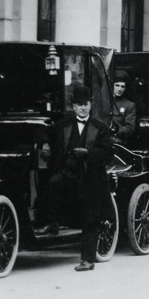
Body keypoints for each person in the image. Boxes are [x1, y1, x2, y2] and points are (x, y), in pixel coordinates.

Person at [42, 83, 115, 271]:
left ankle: (87, 260)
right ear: (73, 107)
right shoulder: (63, 125)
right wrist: (45, 144)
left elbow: (108, 154)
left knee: (90, 217)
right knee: (52, 184)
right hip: (69, 174)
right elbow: (43, 131)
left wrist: (88, 152)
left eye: (86, 104)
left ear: (90, 105)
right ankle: (53, 222)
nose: (83, 108)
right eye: (79, 104)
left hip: (91, 178)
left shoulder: (100, 128)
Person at [110, 70, 138, 141]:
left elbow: (129, 128)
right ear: (112, 85)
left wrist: (115, 131)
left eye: (122, 86)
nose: (120, 89)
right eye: (117, 85)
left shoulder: (129, 105)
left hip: (117, 140)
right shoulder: (104, 101)